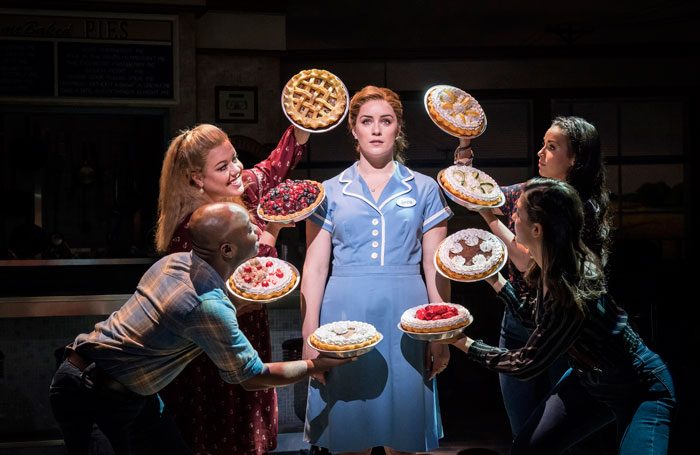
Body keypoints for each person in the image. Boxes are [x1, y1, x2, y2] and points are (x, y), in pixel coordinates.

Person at [49, 202, 351, 455]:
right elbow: (253, 377)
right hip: (91, 392)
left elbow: (189, 312)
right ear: (228, 250)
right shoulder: (208, 306)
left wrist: (235, 305)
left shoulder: (174, 261)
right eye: (249, 228)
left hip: (127, 388)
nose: (258, 232)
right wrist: (315, 365)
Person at [442, 178, 676, 454]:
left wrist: (464, 343)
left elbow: (526, 363)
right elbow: (536, 318)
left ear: (537, 229)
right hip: (589, 381)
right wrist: (495, 280)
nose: (513, 216)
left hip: (641, 388)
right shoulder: (551, 264)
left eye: (518, 211)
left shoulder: (570, 284)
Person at [301, 86, 453, 454]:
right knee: (348, 433)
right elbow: (316, 266)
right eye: (366, 121)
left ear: (398, 127)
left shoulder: (425, 188)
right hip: (342, 315)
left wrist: (441, 333)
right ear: (353, 129)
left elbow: (437, 268)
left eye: (386, 121)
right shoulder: (329, 191)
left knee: (404, 434)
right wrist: (308, 336)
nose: (376, 129)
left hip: (407, 316)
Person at [155, 122, 309, 454]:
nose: (237, 169)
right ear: (197, 178)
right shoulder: (195, 226)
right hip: (212, 350)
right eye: (222, 166)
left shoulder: (241, 191)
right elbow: (250, 282)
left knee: (248, 434)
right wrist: (275, 227)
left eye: (234, 158)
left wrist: (302, 127)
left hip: (250, 334)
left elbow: (272, 167)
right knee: (221, 437)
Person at [464, 116, 614, 444]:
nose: (540, 153)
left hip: (559, 327)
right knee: (525, 434)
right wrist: (463, 150)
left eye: (552, 147)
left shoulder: (579, 210)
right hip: (519, 315)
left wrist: (488, 216)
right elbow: (478, 192)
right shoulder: (534, 190)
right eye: (543, 144)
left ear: (575, 159)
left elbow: (525, 260)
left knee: (558, 434)